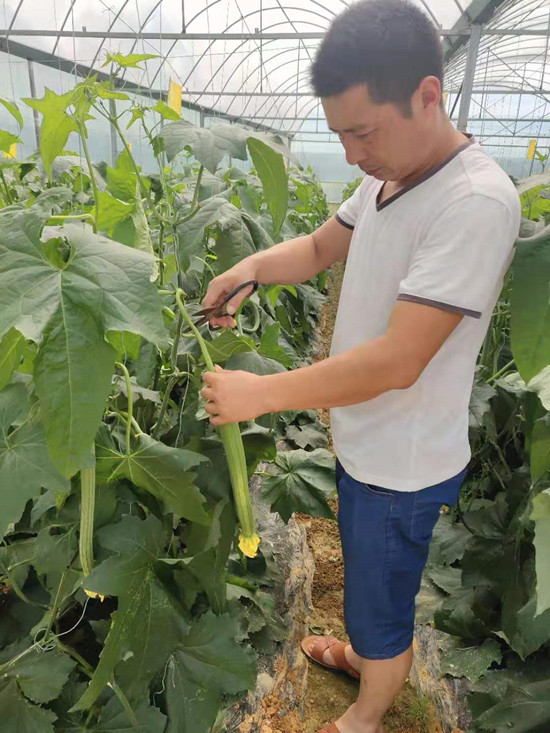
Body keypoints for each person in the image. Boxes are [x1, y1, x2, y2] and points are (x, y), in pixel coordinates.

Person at [199, 1, 521, 731]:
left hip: (401, 462)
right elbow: (317, 248)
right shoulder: (388, 176)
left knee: (383, 589)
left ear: (427, 95)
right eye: (338, 132)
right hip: (367, 440)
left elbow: (400, 359)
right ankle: (364, 654)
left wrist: (262, 394)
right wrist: (251, 266)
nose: (350, 152)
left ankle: (369, 710)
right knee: (372, 581)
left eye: (362, 131)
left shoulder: (474, 201)